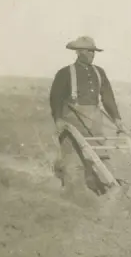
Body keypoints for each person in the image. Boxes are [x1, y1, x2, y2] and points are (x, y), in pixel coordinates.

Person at [49, 35, 126, 198]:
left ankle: (104, 190)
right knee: (73, 158)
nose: (93, 54)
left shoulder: (99, 72)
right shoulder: (65, 73)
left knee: (100, 154)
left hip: (94, 118)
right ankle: (73, 194)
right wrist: (58, 120)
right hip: (73, 119)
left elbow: (107, 97)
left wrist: (117, 119)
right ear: (79, 52)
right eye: (90, 51)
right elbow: (55, 98)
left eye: (94, 51)